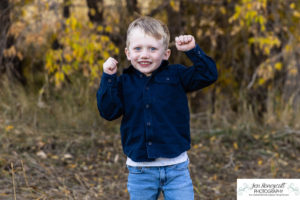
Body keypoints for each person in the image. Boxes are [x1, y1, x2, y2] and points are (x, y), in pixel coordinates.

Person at [97, 16, 218, 200]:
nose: (144, 54)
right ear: (128, 53)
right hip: (140, 171)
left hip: (177, 169)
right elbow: (108, 112)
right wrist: (108, 77)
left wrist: (193, 51)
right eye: (138, 49)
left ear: (166, 54)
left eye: (152, 49)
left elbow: (208, 74)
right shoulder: (122, 82)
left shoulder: (176, 76)